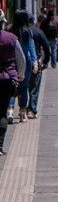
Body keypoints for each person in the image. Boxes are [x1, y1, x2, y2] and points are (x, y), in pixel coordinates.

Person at [0, 12, 24, 155]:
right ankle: (0, 145)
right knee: (2, 111)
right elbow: (21, 60)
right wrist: (20, 75)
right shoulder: (12, 38)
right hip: (7, 80)